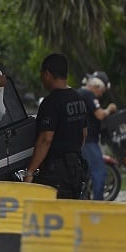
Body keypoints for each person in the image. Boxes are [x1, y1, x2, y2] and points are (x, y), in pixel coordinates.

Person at [23, 53, 89, 199]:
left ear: (47, 74)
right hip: (76, 170)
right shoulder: (78, 99)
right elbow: (84, 134)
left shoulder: (51, 102)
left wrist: (30, 173)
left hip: (56, 174)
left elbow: (46, 139)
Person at [79, 73, 119, 200]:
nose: (101, 95)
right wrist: (110, 109)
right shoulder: (89, 95)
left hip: (81, 141)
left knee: (85, 173)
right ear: (96, 86)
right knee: (99, 172)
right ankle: (98, 203)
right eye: (101, 91)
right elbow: (100, 115)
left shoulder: (78, 94)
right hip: (89, 141)